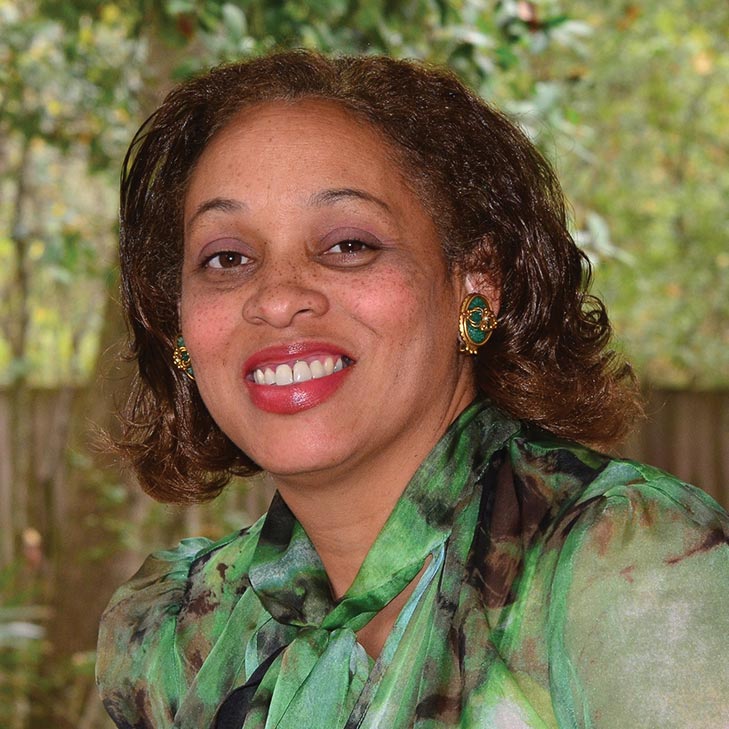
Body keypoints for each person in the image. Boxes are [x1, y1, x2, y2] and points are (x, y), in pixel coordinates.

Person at [96, 50, 729, 729]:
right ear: (180, 328)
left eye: (347, 245)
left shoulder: (627, 569)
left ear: (473, 282)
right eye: (227, 258)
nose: (276, 300)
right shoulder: (174, 637)